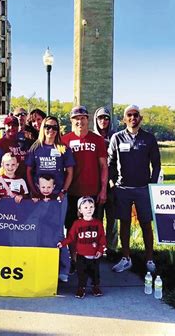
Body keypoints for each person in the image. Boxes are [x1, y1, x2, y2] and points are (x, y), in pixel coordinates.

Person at [109, 105, 161, 273]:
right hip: (122, 189)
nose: (132, 118)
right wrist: (112, 183)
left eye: (135, 115)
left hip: (143, 188)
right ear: (124, 119)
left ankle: (150, 260)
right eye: (129, 115)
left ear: (140, 118)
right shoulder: (117, 138)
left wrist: (152, 185)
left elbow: (156, 164)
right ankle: (126, 258)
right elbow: (110, 163)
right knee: (124, 223)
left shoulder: (149, 138)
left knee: (146, 224)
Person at [61, 105, 108, 273]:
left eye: (83, 118)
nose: (80, 121)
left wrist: (103, 189)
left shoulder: (97, 140)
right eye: (76, 119)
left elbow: (103, 166)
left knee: (91, 229)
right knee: (73, 228)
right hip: (71, 192)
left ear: (88, 120)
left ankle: (90, 260)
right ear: (71, 121)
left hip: (91, 192)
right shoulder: (64, 140)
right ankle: (74, 260)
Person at [57, 196, 106, 299]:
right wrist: (63, 243)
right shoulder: (77, 224)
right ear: (80, 210)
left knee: (95, 274)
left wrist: (100, 250)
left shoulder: (98, 223)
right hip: (81, 255)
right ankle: (81, 288)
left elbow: (102, 239)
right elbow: (71, 237)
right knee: (81, 274)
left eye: (91, 207)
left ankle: (95, 287)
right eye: (86, 207)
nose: (89, 209)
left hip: (94, 256)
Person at [26, 116, 74, 201]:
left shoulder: (63, 148)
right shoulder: (35, 148)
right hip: (38, 195)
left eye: (54, 127)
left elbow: (70, 172)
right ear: (42, 128)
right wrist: (33, 190)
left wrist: (63, 191)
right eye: (48, 127)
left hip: (58, 195)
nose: (51, 130)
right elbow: (28, 171)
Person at [93, 106, 118, 256]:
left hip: (113, 184)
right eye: (100, 118)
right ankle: (97, 248)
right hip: (96, 183)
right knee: (96, 218)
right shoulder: (92, 137)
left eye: (106, 118)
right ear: (96, 120)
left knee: (112, 219)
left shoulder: (117, 137)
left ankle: (112, 248)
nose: (103, 121)